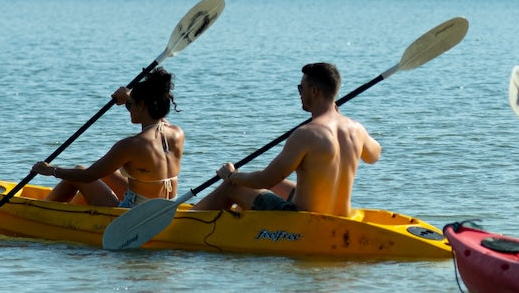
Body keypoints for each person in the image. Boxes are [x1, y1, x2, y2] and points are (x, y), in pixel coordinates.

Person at [191, 62, 380, 217]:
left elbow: (264, 180)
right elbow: (374, 156)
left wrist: (231, 176)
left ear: (314, 91)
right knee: (269, 183)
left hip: (302, 219)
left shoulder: (306, 133)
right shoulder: (357, 129)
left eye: (301, 88)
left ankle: (187, 222)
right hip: (340, 217)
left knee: (233, 186)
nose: (300, 93)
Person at [32, 68, 183, 207]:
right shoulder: (176, 133)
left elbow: (87, 176)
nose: (129, 108)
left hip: (133, 214)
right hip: (165, 208)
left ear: (142, 105)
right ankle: (78, 207)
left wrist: (51, 170)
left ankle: (41, 212)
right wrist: (129, 98)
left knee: (78, 172)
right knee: (107, 171)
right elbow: (156, 118)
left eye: (131, 104)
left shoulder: (131, 145)